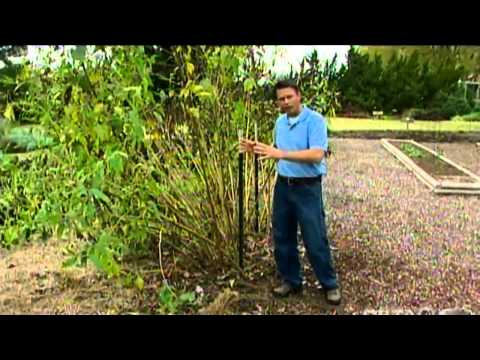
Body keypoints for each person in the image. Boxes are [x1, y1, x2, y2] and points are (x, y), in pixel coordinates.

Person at [239, 79, 341, 305]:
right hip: (283, 186)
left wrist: (281, 154)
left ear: (299, 96)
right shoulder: (280, 123)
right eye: (280, 99)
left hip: (307, 187)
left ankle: (330, 284)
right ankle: (291, 280)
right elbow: (276, 152)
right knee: (283, 236)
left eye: (289, 97)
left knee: (315, 238)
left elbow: (316, 154)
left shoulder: (315, 121)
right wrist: (256, 148)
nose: (285, 102)